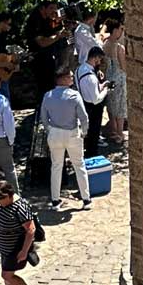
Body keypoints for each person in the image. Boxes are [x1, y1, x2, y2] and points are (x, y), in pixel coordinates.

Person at [38, 68, 90, 208]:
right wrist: (84, 132)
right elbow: (83, 117)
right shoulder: (74, 96)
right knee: (79, 165)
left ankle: (55, 200)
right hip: (72, 133)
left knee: (56, 166)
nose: (72, 79)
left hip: (55, 133)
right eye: (70, 77)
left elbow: (44, 117)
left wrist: (49, 129)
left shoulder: (48, 96)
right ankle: (86, 199)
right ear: (63, 78)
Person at [0, 180, 38, 285]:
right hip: (5, 248)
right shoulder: (1, 204)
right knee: (8, 274)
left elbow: (30, 230)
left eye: (1, 199)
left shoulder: (20, 207)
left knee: (7, 275)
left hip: (15, 249)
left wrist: (24, 251)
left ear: (9, 195)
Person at [24, 0, 69, 103]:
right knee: (44, 88)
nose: (54, 11)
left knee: (51, 86)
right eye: (51, 8)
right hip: (39, 59)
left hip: (49, 57)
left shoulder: (48, 19)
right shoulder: (35, 20)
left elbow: (55, 31)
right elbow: (42, 42)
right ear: (42, 8)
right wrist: (58, 36)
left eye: (55, 8)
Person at [75, 47, 108, 159]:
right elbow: (96, 99)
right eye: (99, 59)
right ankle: (92, 156)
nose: (100, 62)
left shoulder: (79, 69)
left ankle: (88, 153)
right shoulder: (91, 77)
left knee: (88, 132)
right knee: (94, 133)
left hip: (84, 104)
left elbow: (86, 88)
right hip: (94, 108)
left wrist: (102, 85)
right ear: (95, 58)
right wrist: (105, 90)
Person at [101, 15, 127, 140]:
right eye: (120, 29)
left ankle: (113, 129)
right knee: (121, 106)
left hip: (109, 76)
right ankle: (120, 133)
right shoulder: (119, 48)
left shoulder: (105, 44)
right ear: (115, 30)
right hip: (119, 78)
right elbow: (123, 66)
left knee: (111, 105)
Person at [71, 2, 100, 67]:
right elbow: (98, 47)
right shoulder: (82, 31)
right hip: (86, 65)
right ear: (92, 17)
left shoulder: (87, 29)